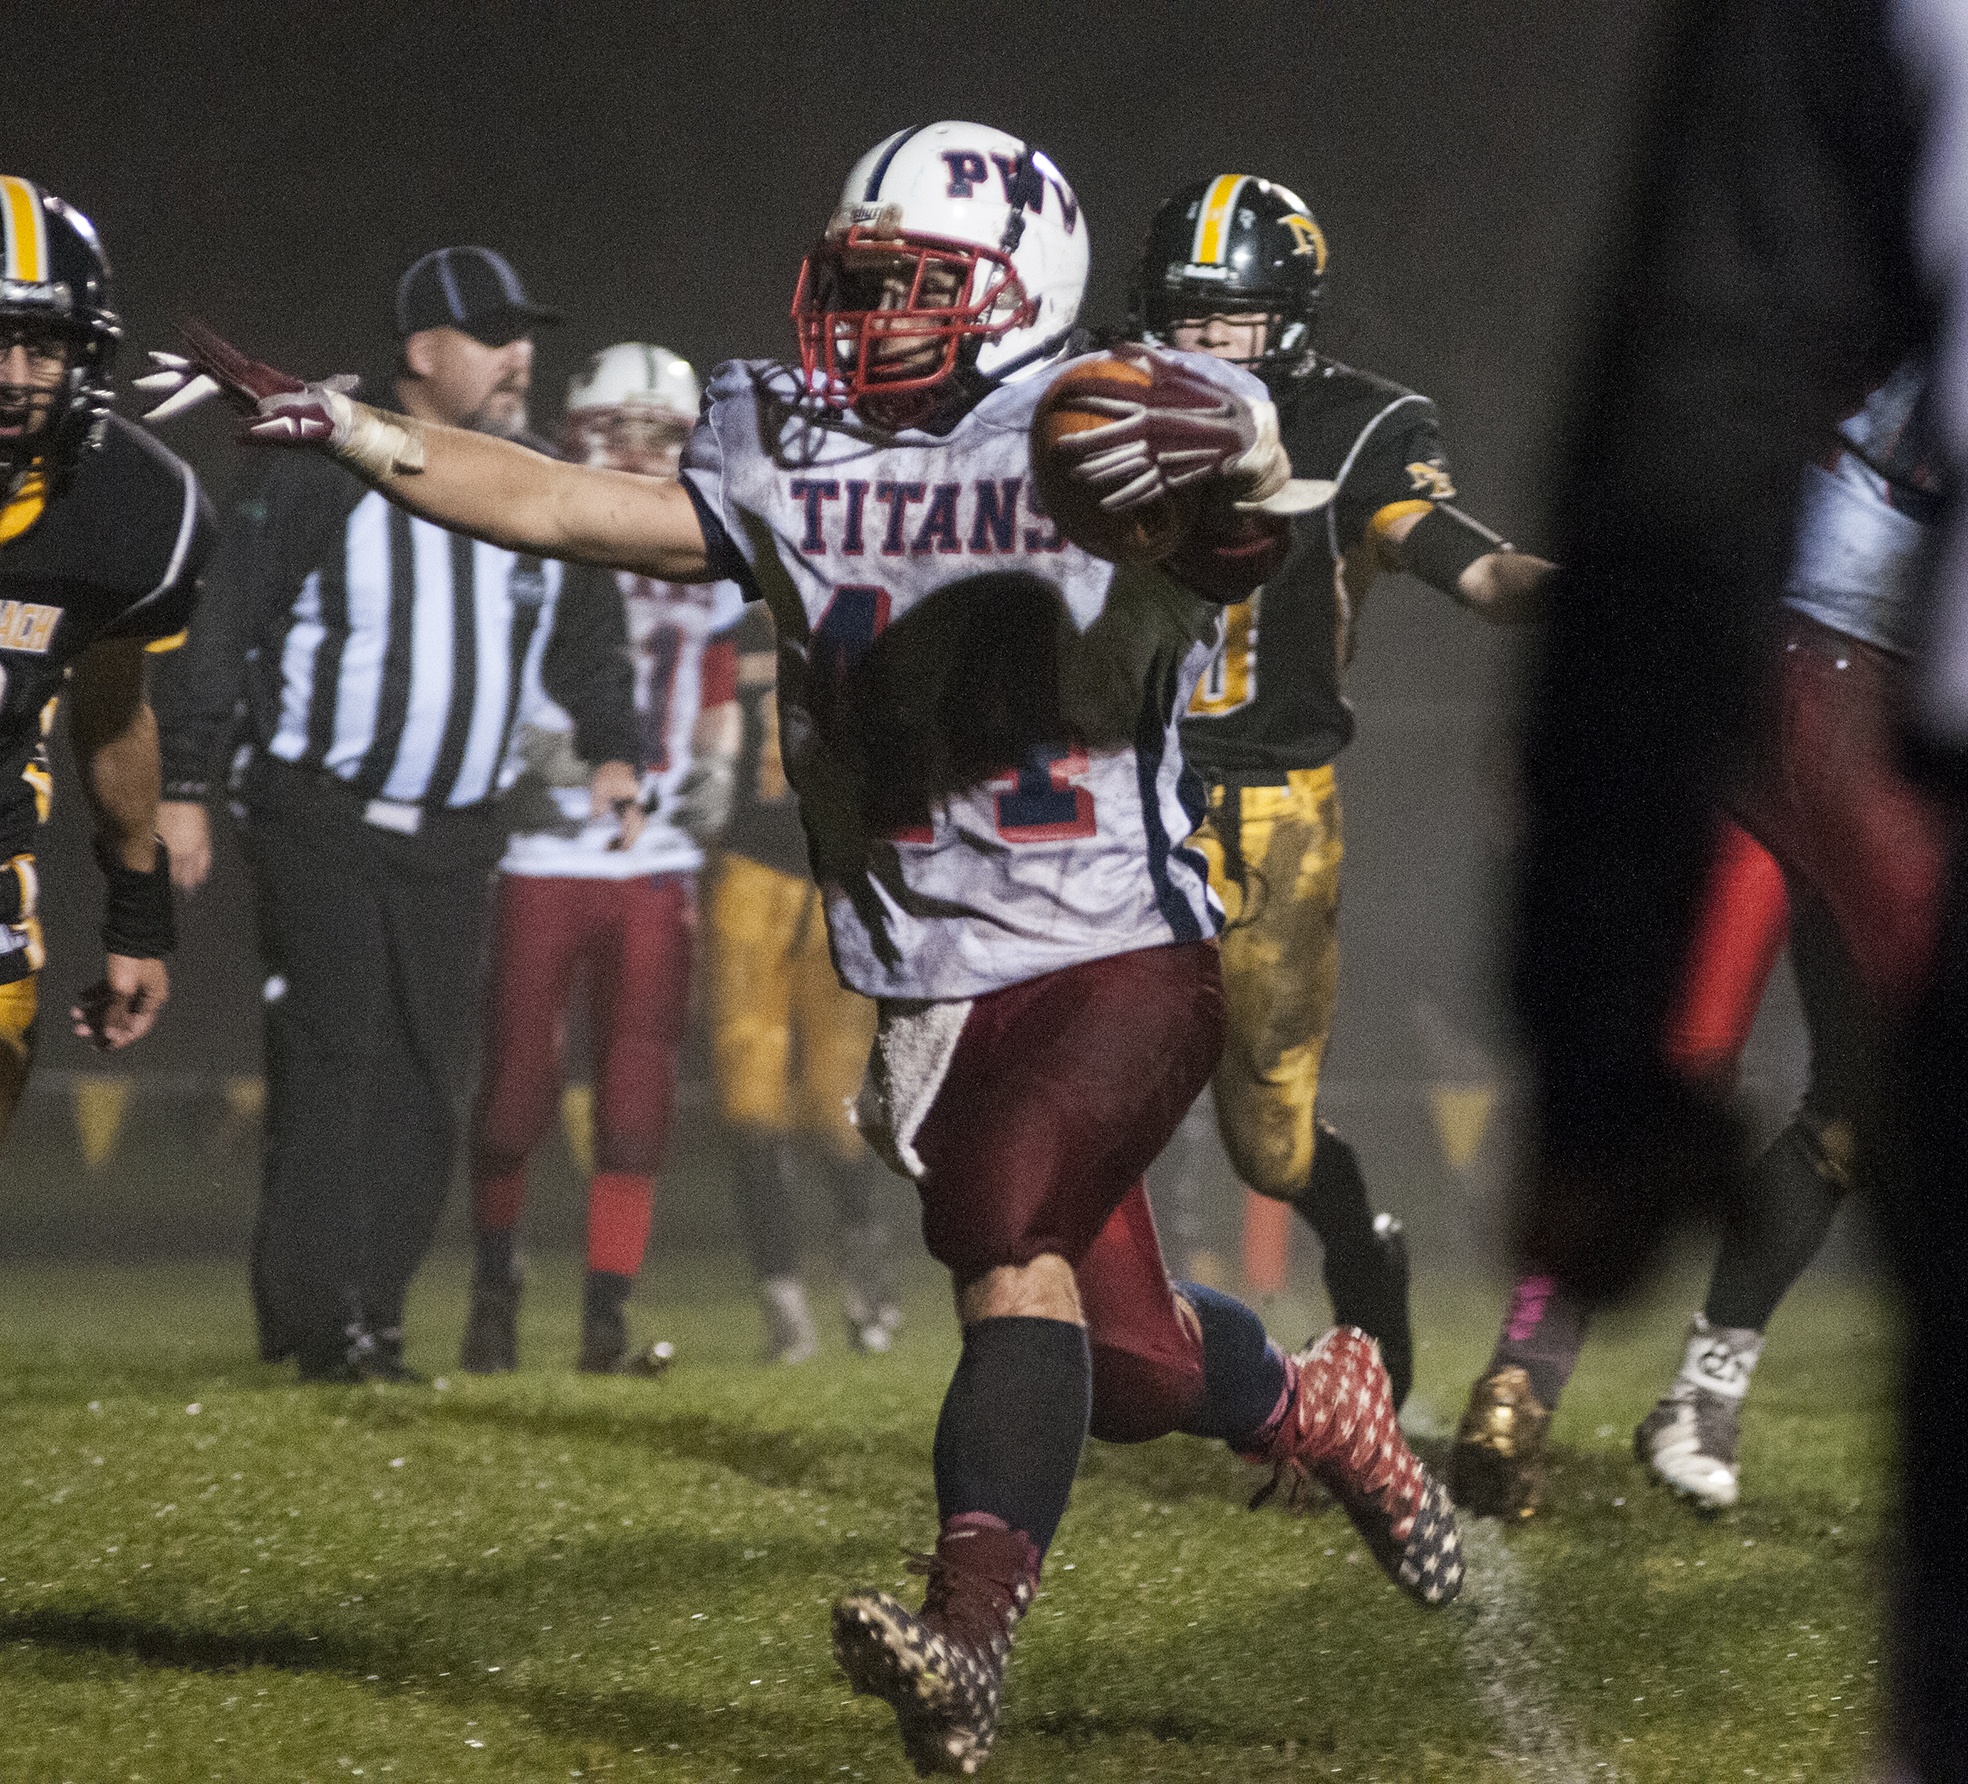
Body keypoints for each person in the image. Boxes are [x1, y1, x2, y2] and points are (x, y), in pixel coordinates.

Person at [142, 118, 1465, 1778]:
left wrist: (1227, 500)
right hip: (933, 978)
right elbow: (560, 502)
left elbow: (1231, 530)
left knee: (1003, 1227)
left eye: (916, 285)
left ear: (1019, 289)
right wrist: (352, 428)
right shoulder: (787, 436)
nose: (870, 314)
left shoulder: (1097, 418)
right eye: (860, 279)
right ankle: (1316, 1407)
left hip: (1122, 947)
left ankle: (965, 1637)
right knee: (1125, 1362)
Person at [1455, 360, 1947, 1519]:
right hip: (1799, 695)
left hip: (1856, 710)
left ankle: (1685, 1391)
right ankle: (1527, 1379)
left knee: (1859, 1098)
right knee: (1689, 1056)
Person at [145, 247, 642, 1383]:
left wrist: (615, 748)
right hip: (319, 812)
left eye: (525, 333)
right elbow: (226, 622)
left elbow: (586, 637)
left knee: (425, 1079)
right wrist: (186, 782)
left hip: (459, 832)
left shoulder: (534, 475)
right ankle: (325, 1326)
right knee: (337, 1059)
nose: (520, 355)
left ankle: (373, 1312)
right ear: (421, 351)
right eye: (492, 334)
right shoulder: (321, 462)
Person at [1126, 175, 1555, 1404]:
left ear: (1290, 318)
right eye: (1184, 315)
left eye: (1231, 317)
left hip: (1273, 808)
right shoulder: (1100, 398)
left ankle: (1367, 1272)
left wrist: (1608, 593)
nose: (1205, 342)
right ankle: (1106, 1354)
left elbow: (1471, 569)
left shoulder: (1353, 423)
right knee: (1090, 1080)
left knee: (1270, 1143)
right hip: (1121, 790)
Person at [458, 341, 742, 1376]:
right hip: (543, 846)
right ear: (582, 429)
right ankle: (495, 1289)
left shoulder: (702, 545)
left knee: (636, 1098)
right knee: (513, 1094)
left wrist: (720, 760)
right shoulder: (535, 532)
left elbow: (715, 683)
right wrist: (519, 753)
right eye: (621, 429)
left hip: (655, 853)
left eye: (663, 434)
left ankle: (606, 1315)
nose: (641, 451)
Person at [0, 173, 210, 1174]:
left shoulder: (124, 506)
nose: (16, 376)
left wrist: (138, 913)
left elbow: (111, 716)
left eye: (47, 346)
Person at [708, 594, 900, 1363]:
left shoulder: (863, 633)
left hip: (838, 885)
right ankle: (785, 1305)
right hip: (750, 874)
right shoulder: (729, 638)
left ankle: (867, 1287)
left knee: (839, 1103)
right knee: (749, 1104)